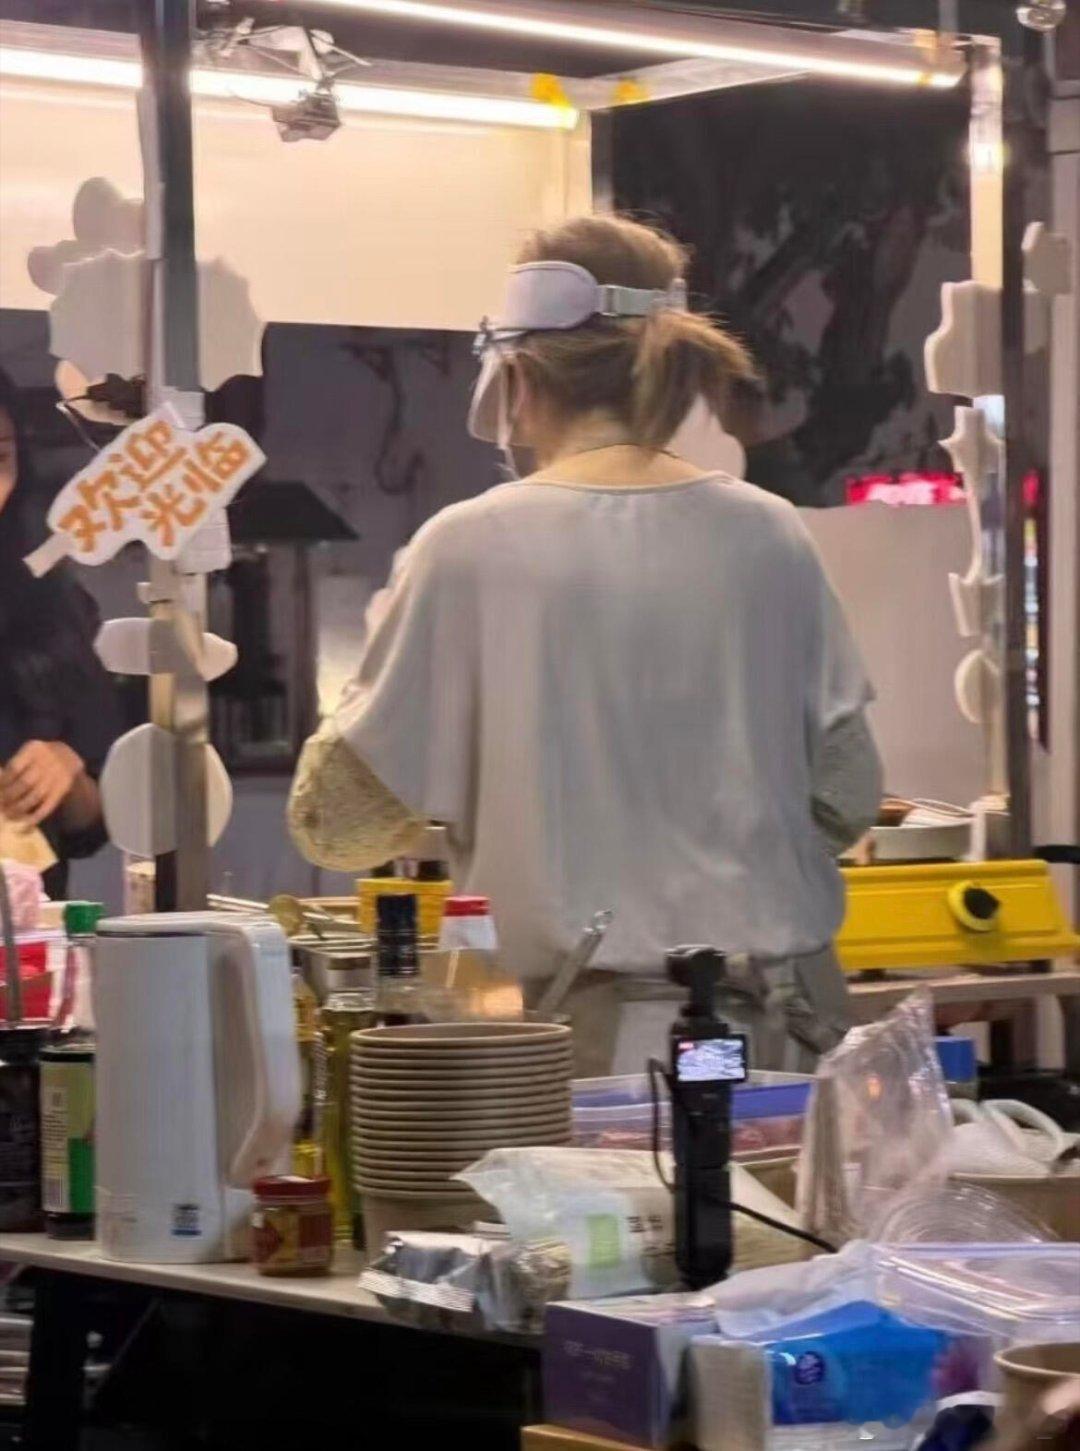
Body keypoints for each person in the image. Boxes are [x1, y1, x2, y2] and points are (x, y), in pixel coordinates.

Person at [288, 215, 882, 1073]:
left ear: (516, 373)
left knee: (611, 1173)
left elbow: (335, 825)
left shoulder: (468, 546)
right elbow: (847, 796)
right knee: (756, 1170)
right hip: (771, 1024)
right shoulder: (770, 533)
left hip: (578, 1043)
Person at [0, 371, 121, 898]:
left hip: (27, 930)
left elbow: (89, 828)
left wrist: (65, 768)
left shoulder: (53, 601)